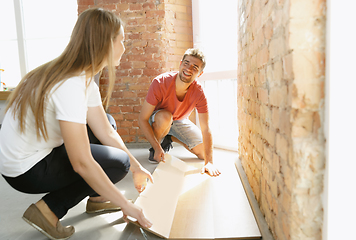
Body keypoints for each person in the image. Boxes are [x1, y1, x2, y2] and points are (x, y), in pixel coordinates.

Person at [0, 8, 153, 240]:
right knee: (117, 163)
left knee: (108, 123)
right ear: (105, 43)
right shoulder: (70, 85)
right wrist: (125, 204)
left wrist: (137, 167)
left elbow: (105, 130)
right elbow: (81, 163)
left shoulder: (79, 77)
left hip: (27, 155)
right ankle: (48, 209)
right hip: (25, 170)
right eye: (121, 40)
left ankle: (98, 198)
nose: (124, 47)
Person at [139, 48, 221, 177]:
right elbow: (143, 119)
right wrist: (156, 147)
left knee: (203, 154)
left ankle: (170, 137)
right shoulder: (160, 82)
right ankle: (158, 144)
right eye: (186, 63)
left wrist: (209, 162)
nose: (189, 69)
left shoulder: (199, 92)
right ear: (180, 63)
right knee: (166, 117)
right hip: (159, 118)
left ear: (199, 73)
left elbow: (206, 128)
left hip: (179, 120)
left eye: (195, 67)